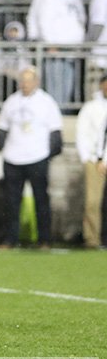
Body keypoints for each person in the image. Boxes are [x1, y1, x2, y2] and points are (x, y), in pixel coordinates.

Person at [0, 67, 63, 249]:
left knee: (41, 200)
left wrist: (49, 154)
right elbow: (2, 130)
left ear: (36, 81)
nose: (25, 84)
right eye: (23, 80)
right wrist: (3, 150)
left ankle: (45, 239)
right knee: (11, 202)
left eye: (29, 80)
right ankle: (10, 239)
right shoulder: (11, 101)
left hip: (37, 156)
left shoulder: (47, 102)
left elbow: (56, 132)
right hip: (12, 157)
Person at [76, 76, 107, 249]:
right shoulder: (91, 107)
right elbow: (83, 134)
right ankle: (92, 240)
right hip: (95, 160)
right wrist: (87, 158)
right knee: (92, 202)